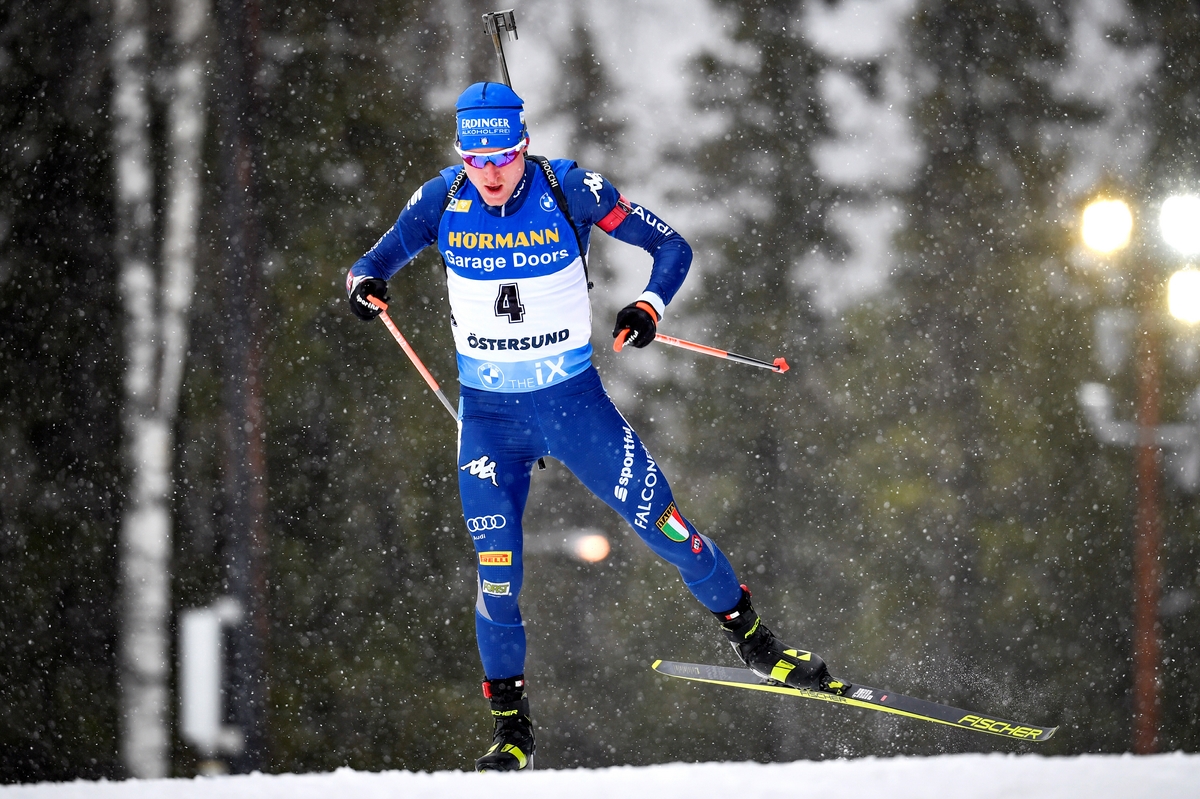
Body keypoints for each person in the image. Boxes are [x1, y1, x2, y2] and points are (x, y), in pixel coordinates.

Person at [345, 82, 845, 772]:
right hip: (490, 422)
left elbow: (671, 247)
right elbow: (370, 263)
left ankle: (759, 644)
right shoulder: (441, 200)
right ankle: (512, 730)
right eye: (475, 157)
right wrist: (364, 287)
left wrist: (648, 305)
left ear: (523, 146)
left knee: (668, 528)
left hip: (574, 408)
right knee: (497, 576)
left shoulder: (569, 187)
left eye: (502, 155)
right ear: (462, 155)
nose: (488, 173)